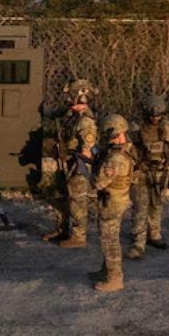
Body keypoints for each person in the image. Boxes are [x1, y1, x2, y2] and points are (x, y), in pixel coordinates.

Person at [127, 94, 169, 260]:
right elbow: (127, 150)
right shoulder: (135, 128)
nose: (155, 119)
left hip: (161, 173)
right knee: (140, 207)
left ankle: (155, 234)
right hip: (141, 172)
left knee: (156, 205)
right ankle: (138, 242)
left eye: (158, 116)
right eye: (152, 116)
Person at [44, 78, 98, 248]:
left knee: (77, 201)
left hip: (78, 165)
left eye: (70, 97)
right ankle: (63, 228)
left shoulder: (85, 121)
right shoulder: (72, 116)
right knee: (61, 196)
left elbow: (87, 150)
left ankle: (78, 236)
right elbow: (54, 113)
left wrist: (75, 161)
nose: (67, 100)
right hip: (66, 162)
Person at [91, 113, 135, 293]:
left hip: (113, 202)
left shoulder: (115, 158)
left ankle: (114, 278)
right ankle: (106, 271)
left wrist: (89, 169)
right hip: (117, 199)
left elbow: (99, 182)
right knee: (109, 237)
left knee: (109, 240)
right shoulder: (123, 151)